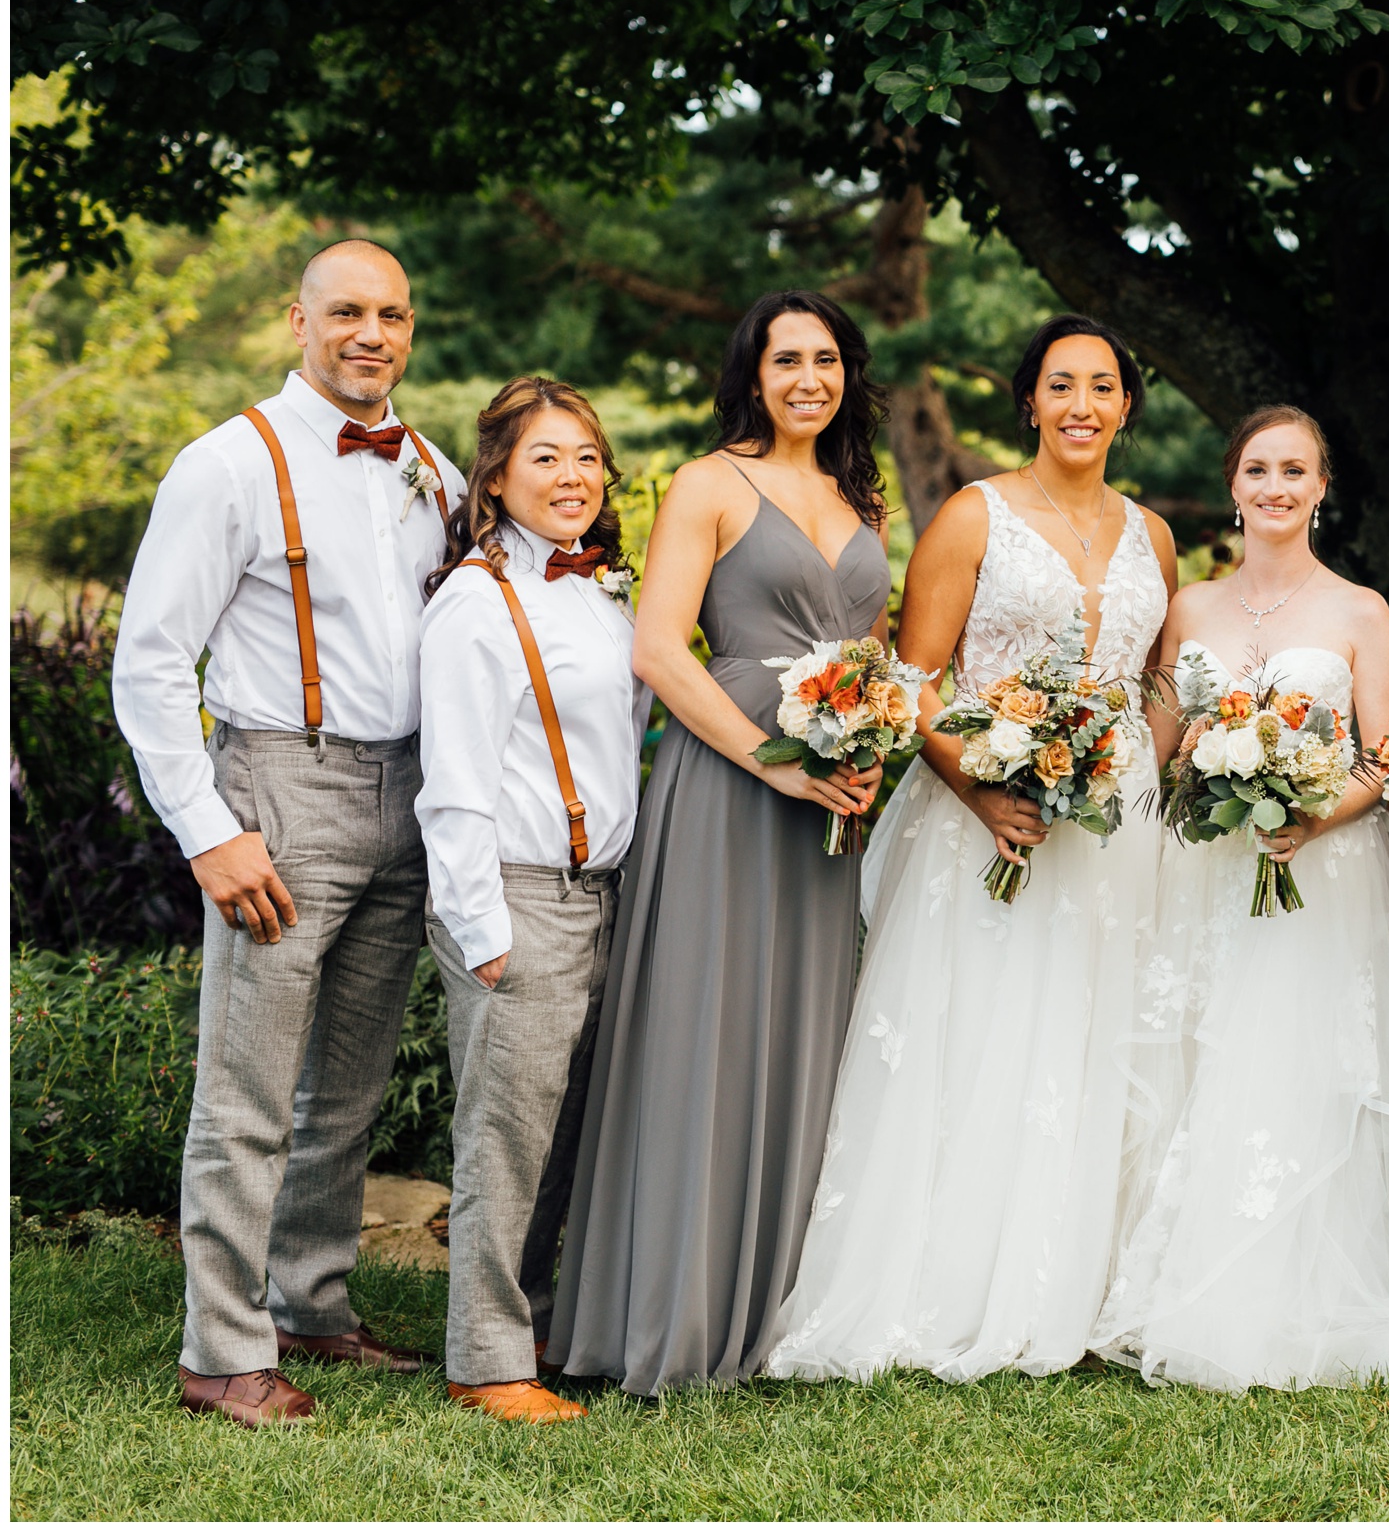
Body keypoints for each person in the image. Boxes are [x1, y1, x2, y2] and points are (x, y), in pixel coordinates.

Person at [764, 314, 1178, 1384]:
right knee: (987, 1039)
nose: (1081, 404)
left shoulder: (1154, 535)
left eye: (1102, 385)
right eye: (1060, 385)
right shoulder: (974, 514)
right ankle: (948, 1284)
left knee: (1094, 1035)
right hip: (986, 818)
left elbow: (1155, 685)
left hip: (1112, 828)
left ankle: (1077, 1283)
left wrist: (1138, 762)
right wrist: (989, 789)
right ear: (1029, 403)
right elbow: (917, 680)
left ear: (1126, 405)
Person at [113, 241, 461, 1426]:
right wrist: (210, 831)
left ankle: (310, 1303)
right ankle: (220, 1350)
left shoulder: (432, 468)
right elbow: (151, 663)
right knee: (249, 1089)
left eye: (395, 315)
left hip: (406, 797)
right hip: (281, 790)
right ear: (296, 320)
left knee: (347, 1088)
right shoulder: (227, 464)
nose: (373, 333)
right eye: (349, 311)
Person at [547, 292, 890, 1393]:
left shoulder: (860, 497)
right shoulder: (707, 483)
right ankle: (669, 1314)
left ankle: (780, 1306)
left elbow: (869, 656)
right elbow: (660, 650)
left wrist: (866, 746)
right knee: (707, 1027)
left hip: (829, 796)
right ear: (751, 373)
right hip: (731, 783)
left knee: (802, 1033)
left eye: (826, 359)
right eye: (786, 359)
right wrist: (771, 760)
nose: (808, 378)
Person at [1091, 405, 1389, 1391]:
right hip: (1203, 870)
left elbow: (1388, 756)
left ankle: (1296, 1290)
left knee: (1297, 1058)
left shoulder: (1360, 612)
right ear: (1233, 484)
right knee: (1194, 1053)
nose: (1276, 487)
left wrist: (1314, 814)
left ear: (1322, 487)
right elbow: (1155, 753)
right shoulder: (1192, 609)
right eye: (1259, 469)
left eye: (1296, 470)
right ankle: (1167, 1278)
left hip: (1316, 868)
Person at [412, 379, 649, 1423]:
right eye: (546, 458)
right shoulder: (478, 599)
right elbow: (453, 783)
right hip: (515, 893)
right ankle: (485, 1361)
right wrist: (482, 932)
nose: (572, 478)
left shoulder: (599, 591)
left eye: (587, 458)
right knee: (506, 1136)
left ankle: (539, 1321)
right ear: (496, 477)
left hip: (599, 893)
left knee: (564, 1132)